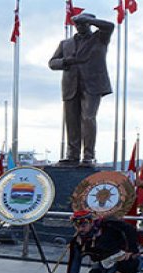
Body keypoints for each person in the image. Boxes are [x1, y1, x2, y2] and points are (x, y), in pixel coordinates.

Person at [48, 13, 115, 167]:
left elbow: (110, 25)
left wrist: (89, 19)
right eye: (77, 24)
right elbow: (52, 63)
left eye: (83, 24)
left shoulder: (99, 38)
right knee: (71, 121)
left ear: (89, 24)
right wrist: (65, 61)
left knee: (88, 118)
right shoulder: (65, 43)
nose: (79, 26)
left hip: (92, 84)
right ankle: (72, 155)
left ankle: (88, 155)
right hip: (70, 85)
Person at [65, 210, 142, 273]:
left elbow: (130, 229)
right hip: (104, 263)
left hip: (122, 257)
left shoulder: (108, 224)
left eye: (83, 226)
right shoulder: (78, 241)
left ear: (91, 222)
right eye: (77, 227)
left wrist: (132, 250)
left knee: (129, 264)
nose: (80, 229)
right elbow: (74, 261)